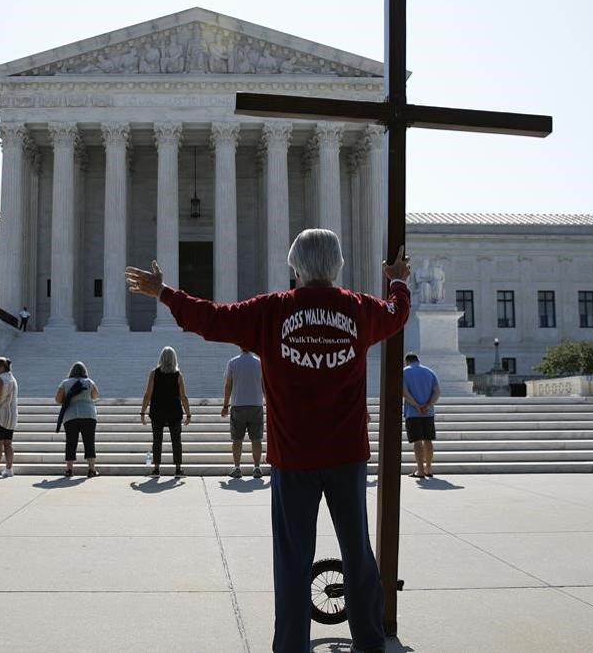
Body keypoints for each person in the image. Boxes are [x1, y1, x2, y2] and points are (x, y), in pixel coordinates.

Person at [127, 228, 411, 653]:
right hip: (346, 454)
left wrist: (165, 293)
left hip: (293, 456)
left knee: (293, 561)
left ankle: (291, 646)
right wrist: (397, 280)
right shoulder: (360, 310)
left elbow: (210, 318)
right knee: (358, 555)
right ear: (337, 267)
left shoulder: (272, 311)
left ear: (294, 267)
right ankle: (369, 642)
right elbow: (397, 312)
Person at [140, 346, 192, 477]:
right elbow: (183, 396)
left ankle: (156, 469)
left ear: (161, 358)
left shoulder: (154, 373)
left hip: (157, 410)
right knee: (176, 440)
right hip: (174, 411)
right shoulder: (178, 375)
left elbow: (148, 394)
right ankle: (178, 469)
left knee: (157, 440)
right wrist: (188, 413)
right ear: (174, 359)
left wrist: (142, 412)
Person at [223, 346, 265, 479]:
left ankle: (237, 468)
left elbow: (228, 385)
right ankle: (257, 467)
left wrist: (225, 405)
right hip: (256, 404)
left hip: (238, 405)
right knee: (256, 439)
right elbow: (264, 385)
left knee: (237, 439)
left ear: (240, 347)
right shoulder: (259, 363)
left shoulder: (233, 362)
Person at [56, 361, 100, 477]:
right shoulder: (89, 382)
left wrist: (69, 398)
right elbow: (96, 396)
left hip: (70, 416)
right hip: (89, 415)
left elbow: (58, 399)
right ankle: (91, 469)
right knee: (89, 442)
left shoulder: (65, 383)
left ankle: (69, 470)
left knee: (71, 442)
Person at [402, 353, 441, 479]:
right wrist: (428, 405)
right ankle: (428, 468)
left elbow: (404, 392)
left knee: (417, 441)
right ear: (418, 360)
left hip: (413, 413)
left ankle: (420, 470)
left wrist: (416, 406)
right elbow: (437, 392)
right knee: (428, 440)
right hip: (428, 413)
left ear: (407, 361)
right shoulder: (430, 372)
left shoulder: (404, 372)